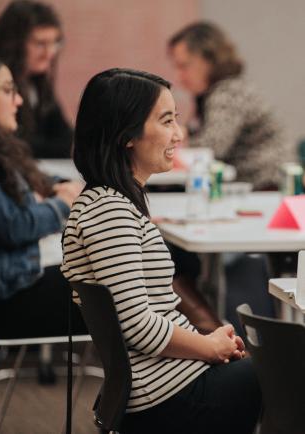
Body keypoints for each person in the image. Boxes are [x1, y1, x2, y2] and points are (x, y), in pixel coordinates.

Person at [61, 68, 261, 434]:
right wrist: (209, 347)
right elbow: (137, 326)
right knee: (290, 374)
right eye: (166, 121)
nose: (178, 135)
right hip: (167, 396)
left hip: (168, 383)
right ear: (127, 135)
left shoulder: (110, 202)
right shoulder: (109, 211)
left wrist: (210, 344)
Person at [0, 50, 85, 338]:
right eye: (7, 90)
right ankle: (197, 354)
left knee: (149, 262)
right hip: (18, 298)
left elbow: (33, 180)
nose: (18, 100)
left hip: (27, 282)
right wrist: (62, 203)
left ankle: (198, 350)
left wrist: (53, 189)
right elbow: (15, 226)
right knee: (131, 275)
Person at [168, 21, 295, 190]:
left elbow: (212, 146)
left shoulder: (228, 92)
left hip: (267, 184)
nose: (179, 77)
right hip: (253, 183)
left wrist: (170, 141)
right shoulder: (212, 93)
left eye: (184, 66)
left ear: (209, 59)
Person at [0, 0, 72, 159]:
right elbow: (8, 142)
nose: (49, 53)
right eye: (40, 43)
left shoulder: (36, 79)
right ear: (13, 42)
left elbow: (63, 133)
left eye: (55, 43)